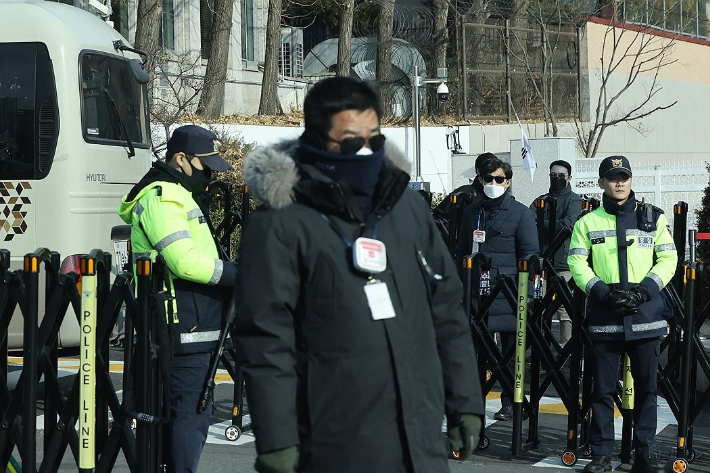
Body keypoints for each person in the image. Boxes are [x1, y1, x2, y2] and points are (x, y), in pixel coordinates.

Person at [235, 77, 484, 473]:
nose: (365, 151)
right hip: (334, 441)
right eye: (350, 142)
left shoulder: (405, 208)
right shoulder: (281, 224)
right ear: (317, 139)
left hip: (418, 439)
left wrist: (466, 401)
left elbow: (446, 310)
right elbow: (266, 338)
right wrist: (277, 438)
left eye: (375, 139)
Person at [117, 125, 237, 473]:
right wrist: (236, 274)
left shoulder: (174, 193)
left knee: (185, 415)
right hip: (182, 326)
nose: (210, 174)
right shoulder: (163, 197)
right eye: (205, 165)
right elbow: (184, 262)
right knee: (189, 415)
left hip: (191, 324)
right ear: (181, 159)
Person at [567, 156, 677, 473]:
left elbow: (668, 260)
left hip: (645, 316)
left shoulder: (652, 218)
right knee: (600, 390)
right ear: (601, 182)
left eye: (624, 177)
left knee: (647, 390)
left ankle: (644, 455)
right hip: (606, 317)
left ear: (631, 181)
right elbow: (577, 265)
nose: (619, 183)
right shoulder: (587, 223)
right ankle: (601, 455)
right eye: (613, 177)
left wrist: (642, 292)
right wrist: (603, 292)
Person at [456, 157, 539, 421]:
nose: (493, 184)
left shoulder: (522, 214)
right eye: (488, 179)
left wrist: (527, 293)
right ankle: (473, 402)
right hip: (477, 291)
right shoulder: (472, 212)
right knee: (476, 351)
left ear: (508, 181)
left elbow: (530, 255)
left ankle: (511, 401)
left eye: (499, 179)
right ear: (481, 181)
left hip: (509, 293)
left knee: (510, 350)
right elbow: (461, 252)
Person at [529, 160, 582, 346]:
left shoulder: (574, 200)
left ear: (569, 178)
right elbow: (529, 223)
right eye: (553, 175)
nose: (557, 178)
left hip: (563, 263)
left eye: (561, 175)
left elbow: (569, 224)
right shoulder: (540, 200)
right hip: (542, 262)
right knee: (538, 305)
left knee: (564, 308)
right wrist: (546, 225)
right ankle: (539, 346)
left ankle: (566, 347)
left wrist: (543, 224)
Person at [432, 152, 497, 233]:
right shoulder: (463, 194)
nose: (491, 174)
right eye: (487, 169)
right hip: (467, 244)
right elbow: (439, 218)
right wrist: (453, 242)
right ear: (478, 171)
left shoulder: (503, 196)